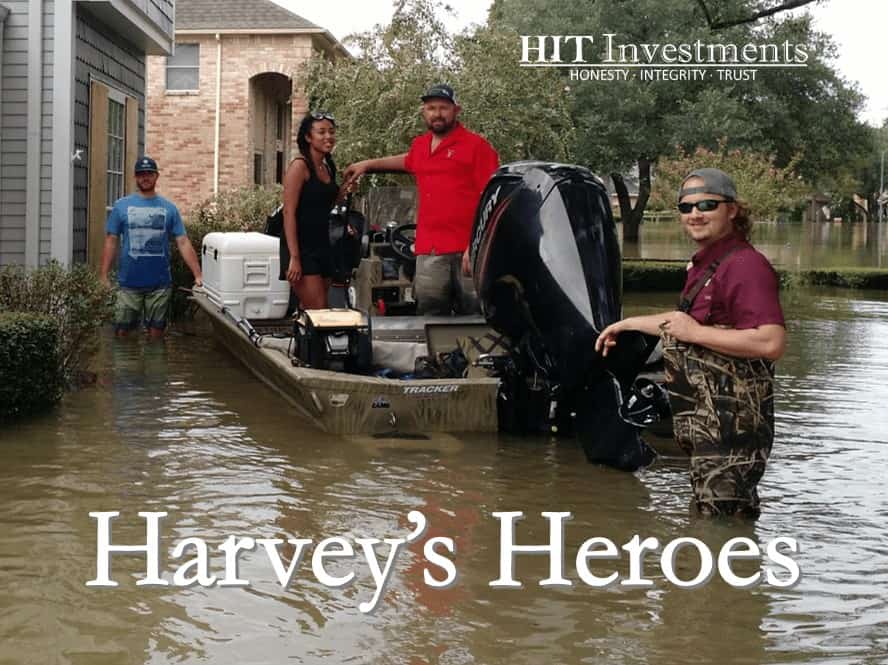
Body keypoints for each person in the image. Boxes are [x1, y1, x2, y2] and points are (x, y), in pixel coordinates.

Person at [595, 168, 786, 518]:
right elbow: (686, 323)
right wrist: (626, 324)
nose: (695, 214)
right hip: (705, 426)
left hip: (733, 431)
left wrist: (694, 333)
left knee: (723, 525)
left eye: (708, 204)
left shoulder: (746, 266)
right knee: (710, 520)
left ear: (733, 210)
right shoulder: (707, 264)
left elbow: (770, 342)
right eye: (686, 207)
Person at [343, 84, 499, 315]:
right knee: (430, 318)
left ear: (457, 110)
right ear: (423, 112)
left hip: (468, 252)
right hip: (429, 251)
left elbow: (492, 199)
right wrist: (367, 164)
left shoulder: (477, 147)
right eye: (431, 108)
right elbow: (406, 162)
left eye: (444, 108)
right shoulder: (421, 146)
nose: (437, 113)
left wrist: (475, 246)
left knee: (476, 318)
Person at [99, 156, 203, 338]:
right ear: (135, 177)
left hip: (160, 284)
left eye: (149, 173)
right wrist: (103, 275)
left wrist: (198, 274)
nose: (145, 177)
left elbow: (183, 242)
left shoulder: (170, 208)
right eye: (140, 174)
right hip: (128, 283)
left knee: (156, 336)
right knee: (122, 334)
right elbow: (111, 240)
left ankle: (155, 366)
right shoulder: (121, 206)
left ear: (157, 176)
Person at [280, 111, 352, 309]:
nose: (328, 136)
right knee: (319, 308)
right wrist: (294, 257)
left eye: (331, 131)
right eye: (321, 132)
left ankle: (302, 339)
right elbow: (288, 213)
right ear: (308, 137)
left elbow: (327, 205)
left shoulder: (327, 167)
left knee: (313, 307)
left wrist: (344, 188)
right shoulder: (299, 166)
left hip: (322, 243)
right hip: (301, 247)